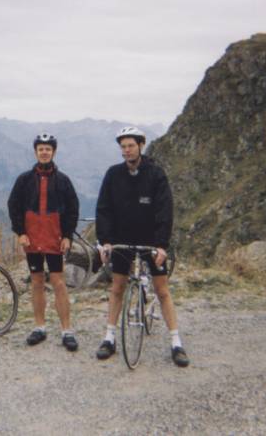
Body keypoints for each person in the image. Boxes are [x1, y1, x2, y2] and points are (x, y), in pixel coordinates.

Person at [94, 126, 189, 367]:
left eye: (131, 146)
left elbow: (165, 211)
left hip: (150, 242)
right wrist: (105, 241)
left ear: (140, 146)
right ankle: (109, 338)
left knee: (162, 290)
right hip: (122, 241)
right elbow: (104, 210)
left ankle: (176, 342)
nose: (126, 151)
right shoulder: (113, 175)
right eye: (123, 147)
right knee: (117, 289)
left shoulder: (155, 174)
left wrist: (161, 246)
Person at [8, 133, 80, 351]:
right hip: (32, 239)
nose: (44, 152)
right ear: (35, 151)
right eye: (41, 149)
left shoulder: (64, 180)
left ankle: (67, 330)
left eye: (48, 149)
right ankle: (39, 327)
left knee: (58, 283)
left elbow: (73, 209)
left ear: (54, 152)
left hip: (54, 239)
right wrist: (20, 232)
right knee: (37, 282)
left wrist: (67, 235)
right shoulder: (24, 180)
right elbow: (14, 206)